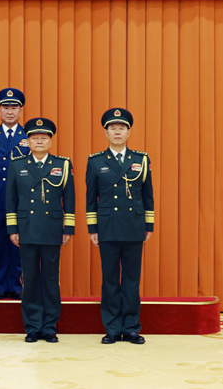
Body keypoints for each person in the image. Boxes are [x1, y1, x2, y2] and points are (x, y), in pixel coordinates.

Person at [86, 108, 154, 345]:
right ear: (105, 133)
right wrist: (93, 228)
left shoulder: (141, 159)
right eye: (112, 128)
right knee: (110, 279)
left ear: (129, 132)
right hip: (107, 227)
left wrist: (148, 224)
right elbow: (91, 198)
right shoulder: (95, 161)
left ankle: (132, 328)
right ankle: (113, 328)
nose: (117, 132)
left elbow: (148, 195)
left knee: (132, 281)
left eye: (122, 128)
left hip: (134, 226)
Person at [5, 118, 74, 343]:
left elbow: (69, 199)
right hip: (27, 228)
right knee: (31, 279)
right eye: (35, 138)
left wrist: (68, 228)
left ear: (50, 141)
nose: (39, 141)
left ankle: (50, 326)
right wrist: (13, 228)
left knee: (51, 280)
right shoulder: (17, 165)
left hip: (52, 229)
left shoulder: (63, 164)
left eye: (44, 138)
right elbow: (10, 200)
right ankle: (33, 326)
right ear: (28, 141)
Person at [0, 88, 30, 300]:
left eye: (14, 108)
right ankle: (0, 287)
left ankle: (16, 286)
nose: (10, 112)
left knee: (19, 245)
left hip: (22, 200)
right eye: (6, 107)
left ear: (20, 111)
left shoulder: (28, 135)